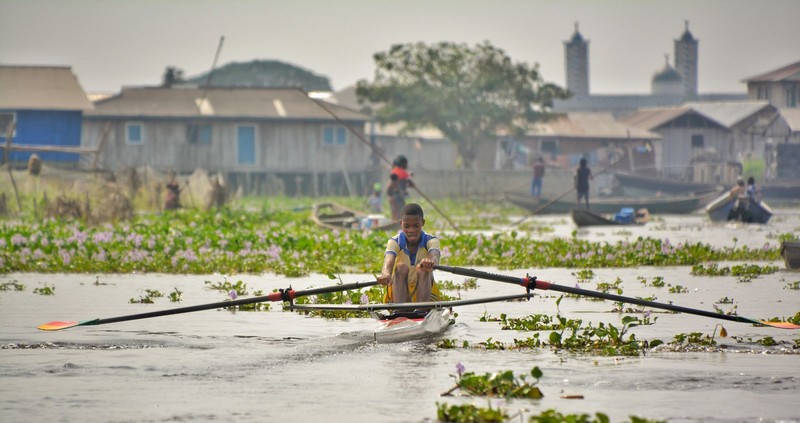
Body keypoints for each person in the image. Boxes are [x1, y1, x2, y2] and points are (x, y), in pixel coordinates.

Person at [377, 203, 441, 304]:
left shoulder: (431, 241)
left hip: (426, 293)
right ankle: (399, 311)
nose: (411, 230)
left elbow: (435, 258)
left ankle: (422, 310)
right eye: (406, 226)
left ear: (423, 223)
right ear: (400, 223)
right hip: (398, 293)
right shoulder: (394, 242)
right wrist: (385, 274)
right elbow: (388, 261)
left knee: (423, 268)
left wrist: (431, 262)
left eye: (416, 226)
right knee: (400, 267)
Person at [387, 155, 414, 220]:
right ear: (403, 164)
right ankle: (397, 224)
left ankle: (395, 223)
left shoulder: (395, 171)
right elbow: (408, 182)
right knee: (401, 211)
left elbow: (405, 182)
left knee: (395, 212)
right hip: (396, 195)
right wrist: (410, 178)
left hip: (393, 196)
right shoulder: (400, 172)